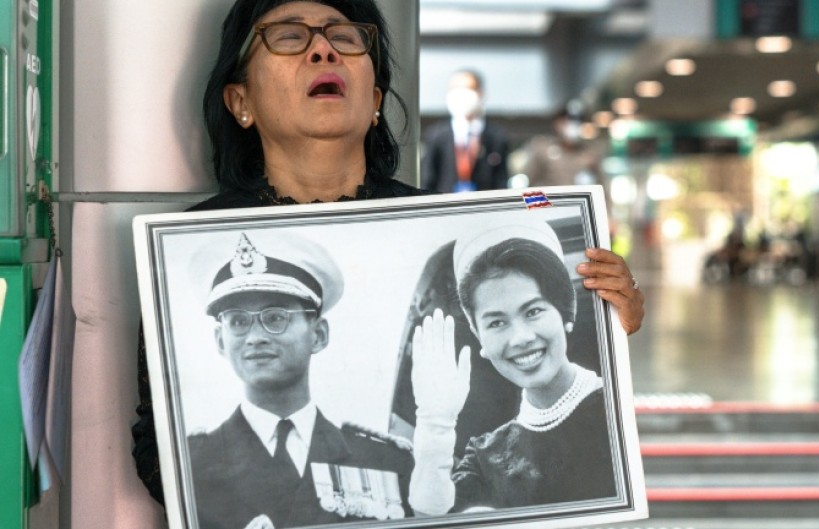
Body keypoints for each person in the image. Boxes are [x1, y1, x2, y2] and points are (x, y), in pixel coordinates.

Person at [132, 0, 644, 518]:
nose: (322, 50)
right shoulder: (185, 242)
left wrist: (609, 318)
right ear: (240, 100)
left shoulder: (446, 242)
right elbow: (154, 449)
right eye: (289, 37)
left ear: (374, 98)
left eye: (346, 37)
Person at [188, 232, 413, 528]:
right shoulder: (189, 464)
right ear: (220, 341)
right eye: (239, 322)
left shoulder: (384, 460)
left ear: (318, 335)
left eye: (276, 317)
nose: (255, 338)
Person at [407, 218, 621, 514]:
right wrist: (435, 423)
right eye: (496, 322)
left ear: (565, 313)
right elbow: (429, 518)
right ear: (480, 339)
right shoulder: (486, 456)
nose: (520, 338)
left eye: (533, 311)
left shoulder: (617, 409)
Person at [420, 69, 510, 193]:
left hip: (485, 207)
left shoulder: (496, 136)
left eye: (468, 88)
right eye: (454, 89)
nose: (461, 95)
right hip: (445, 207)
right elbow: (428, 180)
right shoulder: (436, 135)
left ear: (480, 93)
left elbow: (501, 181)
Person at [522, 106, 607, 188]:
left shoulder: (589, 153)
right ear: (557, 123)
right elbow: (530, 182)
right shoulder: (543, 150)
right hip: (552, 201)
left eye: (576, 121)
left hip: (579, 200)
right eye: (566, 121)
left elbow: (601, 183)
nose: (572, 125)